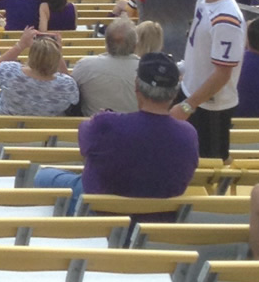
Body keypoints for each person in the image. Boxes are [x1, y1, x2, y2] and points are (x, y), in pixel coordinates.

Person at [33, 52, 201, 215]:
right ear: (174, 92)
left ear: (136, 85)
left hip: (98, 213)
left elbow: (84, 144)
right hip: (157, 219)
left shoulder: (106, 124)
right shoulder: (188, 134)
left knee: (41, 176)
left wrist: (100, 119)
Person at [174, 0, 244, 159]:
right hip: (191, 92)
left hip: (210, 107)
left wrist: (188, 106)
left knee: (207, 165)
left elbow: (223, 74)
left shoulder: (227, 18)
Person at [0, 28, 79, 116]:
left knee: (3, 91)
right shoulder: (67, 84)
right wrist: (56, 52)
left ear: (31, 55)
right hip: (44, 127)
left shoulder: (10, 71)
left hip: (4, 121)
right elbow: (72, 90)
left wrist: (21, 44)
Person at [69, 15, 140, 114]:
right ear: (135, 46)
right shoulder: (146, 71)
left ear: (106, 43)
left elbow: (69, 93)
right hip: (135, 128)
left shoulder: (85, 66)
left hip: (95, 127)